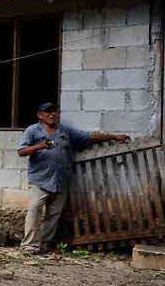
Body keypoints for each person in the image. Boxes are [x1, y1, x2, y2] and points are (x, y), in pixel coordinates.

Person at [17, 103, 130, 254]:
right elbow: (22, 151)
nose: (52, 114)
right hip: (40, 180)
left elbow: (90, 137)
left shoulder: (65, 131)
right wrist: (39, 146)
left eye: (55, 111)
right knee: (34, 209)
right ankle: (30, 245)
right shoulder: (32, 130)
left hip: (60, 180)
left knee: (53, 215)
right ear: (40, 115)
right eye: (48, 112)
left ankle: (43, 245)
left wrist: (115, 137)